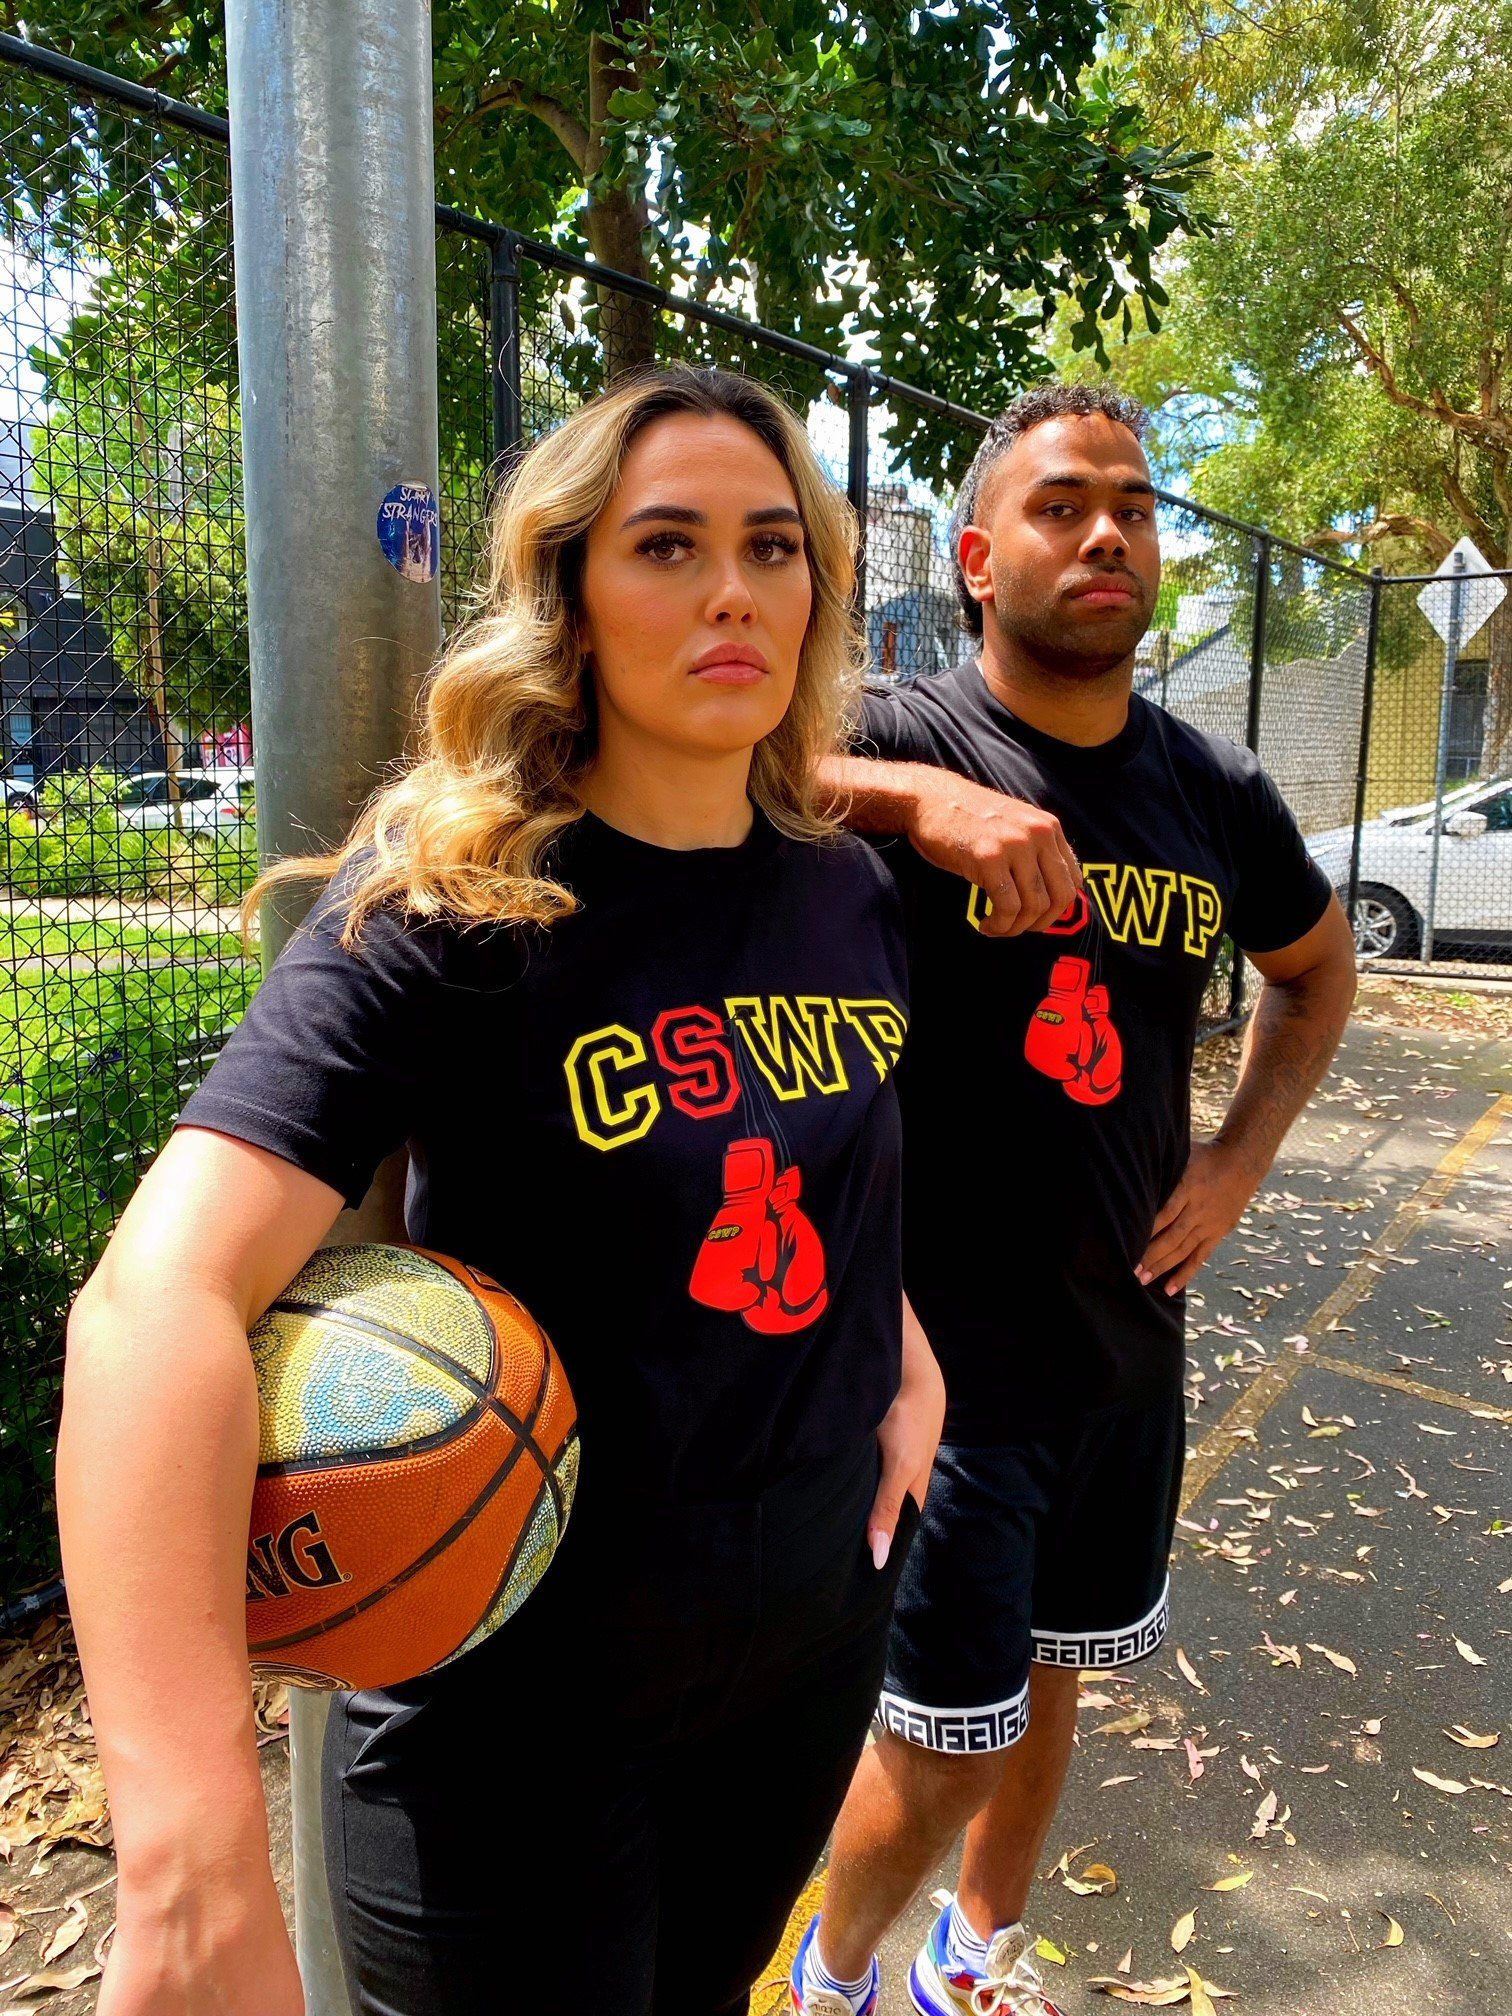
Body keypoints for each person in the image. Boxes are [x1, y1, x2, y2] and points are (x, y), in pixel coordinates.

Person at [57, 365, 946, 2016]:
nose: (732, 589)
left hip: (811, 1641)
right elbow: (150, 1304)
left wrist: (894, 1330)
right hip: (516, 1708)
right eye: (665, 547)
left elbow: (815, 1154)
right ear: (570, 595)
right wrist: (189, 1853)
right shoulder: (458, 909)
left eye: (773, 547)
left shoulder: (850, 896)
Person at [791, 383, 1357, 2016]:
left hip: (1131, 1335)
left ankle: (973, 1957)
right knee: (940, 1728)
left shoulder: (1214, 789)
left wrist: (1240, 1158)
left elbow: (1313, 980)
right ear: (977, 557)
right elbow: (731, 787)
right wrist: (919, 806)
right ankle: (832, 1986)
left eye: (1133, 502)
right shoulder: (905, 734)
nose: (1106, 529)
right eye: (1060, 505)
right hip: (948, 1350)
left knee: (1056, 1676)